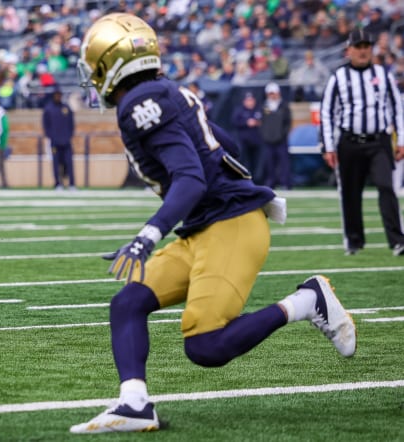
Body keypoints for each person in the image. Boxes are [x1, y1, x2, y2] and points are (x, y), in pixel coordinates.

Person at [71, 13, 356, 434]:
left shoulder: (139, 104)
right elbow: (228, 145)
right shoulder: (169, 91)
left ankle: (307, 301)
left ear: (110, 66)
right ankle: (134, 405)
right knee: (127, 303)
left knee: (205, 346)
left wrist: (147, 235)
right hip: (208, 224)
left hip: (230, 224)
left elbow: (190, 178)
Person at [319, 28, 404, 256]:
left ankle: (397, 240)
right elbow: (326, 113)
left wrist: (402, 140)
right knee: (350, 192)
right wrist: (328, 146)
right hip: (350, 142)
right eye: (359, 46)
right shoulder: (338, 77)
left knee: (387, 187)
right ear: (349, 50)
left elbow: (398, 108)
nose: (363, 51)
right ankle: (354, 241)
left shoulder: (383, 74)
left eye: (367, 46)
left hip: (379, 141)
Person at [260, 82, 292, 189]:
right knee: (269, 162)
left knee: (284, 162)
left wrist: (282, 134)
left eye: (274, 93)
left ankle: (285, 182)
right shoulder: (264, 106)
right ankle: (271, 182)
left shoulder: (284, 106)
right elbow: (261, 123)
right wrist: (265, 134)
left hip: (281, 139)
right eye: (270, 93)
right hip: (268, 140)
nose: (272, 95)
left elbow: (288, 122)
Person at [42, 87, 76, 190]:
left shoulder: (66, 108)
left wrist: (69, 135)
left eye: (59, 95)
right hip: (55, 142)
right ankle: (58, 184)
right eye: (56, 95)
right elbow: (46, 125)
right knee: (56, 164)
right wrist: (51, 136)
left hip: (66, 142)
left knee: (69, 163)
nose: (58, 97)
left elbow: (71, 124)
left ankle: (72, 184)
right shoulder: (48, 109)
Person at [231, 91, 264, 184]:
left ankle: (258, 180)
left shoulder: (259, 110)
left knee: (257, 163)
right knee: (245, 162)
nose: (250, 102)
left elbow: (266, 121)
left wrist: (258, 123)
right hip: (244, 142)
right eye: (248, 100)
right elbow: (234, 122)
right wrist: (246, 123)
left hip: (257, 142)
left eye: (251, 100)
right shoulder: (239, 110)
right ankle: (245, 180)